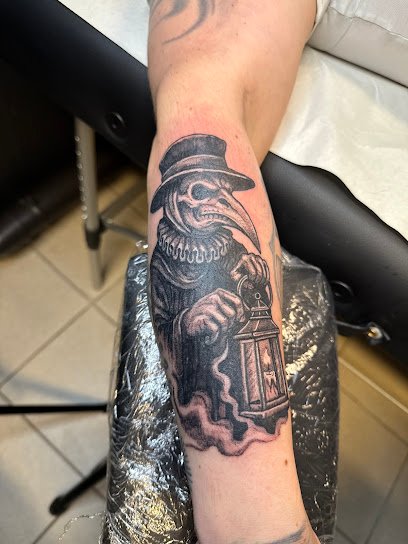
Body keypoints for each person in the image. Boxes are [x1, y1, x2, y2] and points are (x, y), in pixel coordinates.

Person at [147, 1, 321, 542]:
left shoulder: (229, 242)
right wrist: (257, 527)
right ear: (177, 200)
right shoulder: (173, 258)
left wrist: (247, 275)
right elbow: (198, 108)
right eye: (203, 192)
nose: (220, 205)